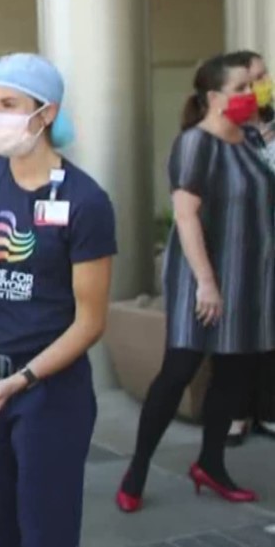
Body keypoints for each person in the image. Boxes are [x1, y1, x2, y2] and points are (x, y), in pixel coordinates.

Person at [0, 53, 116, 546]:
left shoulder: (86, 201)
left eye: (9, 103)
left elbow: (90, 322)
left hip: (51, 388)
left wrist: (25, 380)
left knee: (45, 532)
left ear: (46, 113)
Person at [117, 52, 275, 513]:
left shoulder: (252, 140)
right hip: (202, 277)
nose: (254, 94)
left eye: (257, 85)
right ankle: (137, 470)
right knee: (179, 370)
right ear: (213, 97)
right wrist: (206, 283)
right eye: (244, 87)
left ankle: (210, 464)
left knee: (235, 371)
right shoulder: (194, 144)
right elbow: (186, 217)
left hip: (250, 277)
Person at [225, 49, 275, 446]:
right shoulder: (222, 133)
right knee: (238, 333)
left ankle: (268, 410)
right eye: (251, 79)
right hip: (239, 246)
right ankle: (236, 413)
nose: (260, 85)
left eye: (263, 76)